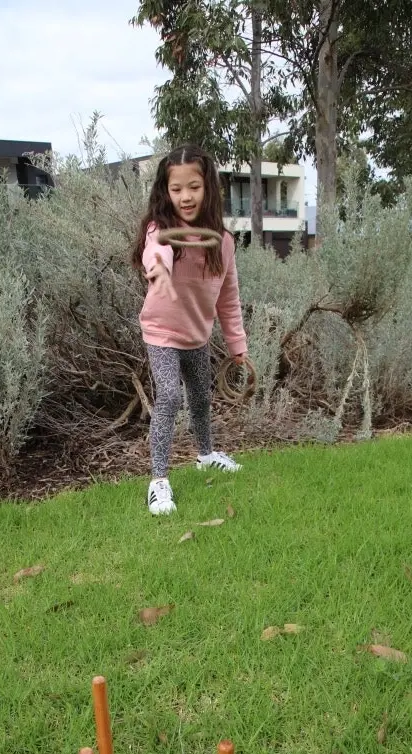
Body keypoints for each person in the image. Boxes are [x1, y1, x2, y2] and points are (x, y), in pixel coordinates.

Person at [131, 145, 250, 515]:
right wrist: (158, 269)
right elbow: (157, 250)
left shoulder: (223, 242)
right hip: (162, 332)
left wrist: (237, 345)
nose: (185, 196)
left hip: (197, 335)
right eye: (177, 188)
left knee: (201, 399)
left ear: (208, 188)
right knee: (169, 396)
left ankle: (206, 454)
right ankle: (159, 481)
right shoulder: (162, 230)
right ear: (166, 191)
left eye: (194, 187)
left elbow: (228, 298)